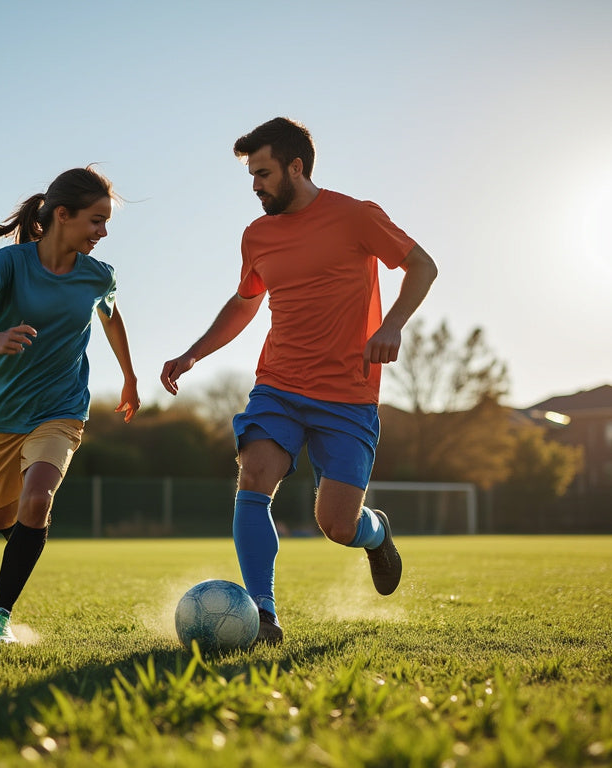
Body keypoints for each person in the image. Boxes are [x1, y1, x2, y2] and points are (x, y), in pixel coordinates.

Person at [160, 118, 437, 645]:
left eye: (263, 173)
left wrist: (391, 325)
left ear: (295, 167)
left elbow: (422, 266)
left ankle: (375, 533)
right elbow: (246, 303)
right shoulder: (256, 235)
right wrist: (193, 353)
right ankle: (263, 613)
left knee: (336, 524)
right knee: (254, 475)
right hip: (279, 384)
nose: (256, 186)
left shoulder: (357, 216)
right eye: (251, 175)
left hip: (348, 395)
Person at [0, 166, 140, 644]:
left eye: (106, 221)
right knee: (1, 518)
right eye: (96, 220)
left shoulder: (98, 276)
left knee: (38, 499)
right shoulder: (9, 265)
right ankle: (26, 549)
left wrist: (130, 378)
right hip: (0, 413)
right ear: (62, 215)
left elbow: (112, 320)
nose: (103, 232)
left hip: (62, 408)